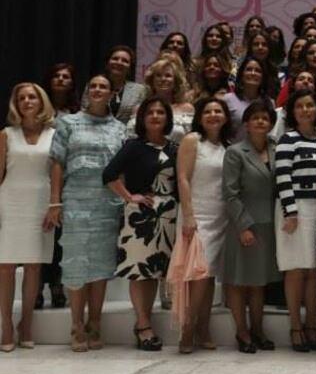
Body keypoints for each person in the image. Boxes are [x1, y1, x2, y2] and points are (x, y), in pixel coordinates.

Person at [48, 74, 128, 351]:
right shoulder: (68, 122)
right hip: (76, 202)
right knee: (75, 261)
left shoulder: (120, 128)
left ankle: (95, 322)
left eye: (102, 87)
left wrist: (125, 202)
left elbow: (122, 170)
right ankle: (76, 324)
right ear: (86, 92)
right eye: (92, 85)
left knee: (101, 265)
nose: (97, 89)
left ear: (111, 93)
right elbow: (57, 162)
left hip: (107, 203)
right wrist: (55, 201)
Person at [103, 96, 179, 352]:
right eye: (150, 113)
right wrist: (128, 196)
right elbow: (109, 175)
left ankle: (145, 321)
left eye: (160, 112)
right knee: (140, 271)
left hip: (168, 216)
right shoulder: (133, 146)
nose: (156, 116)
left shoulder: (174, 148)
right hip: (140, 217)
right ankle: (143, 325)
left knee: (156, 272)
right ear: (142, 119)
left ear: (168, 118)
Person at [222, 100, 280, 354]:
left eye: (265, 118)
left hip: (270, 225)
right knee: (238, 281)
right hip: (243, 224)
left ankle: (257, 330)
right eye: (255, 118)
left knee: (259, 283)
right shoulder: (235, 152)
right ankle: (242, 332)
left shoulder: (277, 148)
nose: (260, 122)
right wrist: (243, 226)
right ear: (246, 124)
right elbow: (230, 193)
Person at [0, 83, 56, 351]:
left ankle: (27, 324)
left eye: (32, 96)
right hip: (10, 202)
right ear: (16, 104)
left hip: (41, 203)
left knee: (34, 266)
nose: (26, 101)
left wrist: (56, 205)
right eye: (21, 97)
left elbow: (57, 173)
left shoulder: (55, 134)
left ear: (41, 101)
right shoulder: (6, 134)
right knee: (6, 266)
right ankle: (7, 326)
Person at [173, 97, 231, 352]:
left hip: (221, 217)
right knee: (198, 274)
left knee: (208, 277)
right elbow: (183, 178)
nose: (213, 115)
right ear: (200, 116)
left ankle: (203, 328)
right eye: (208, 111)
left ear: (226, 117)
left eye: (218, 111)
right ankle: (187, 328)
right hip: (197, 216)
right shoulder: (192, 140)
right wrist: (188, 215)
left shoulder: (227, 146)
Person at [274, 90, 316, 352]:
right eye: (300, 106)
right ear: (293, 112)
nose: (305, 110)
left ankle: (312, 324)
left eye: (310, 105)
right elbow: (283, 176)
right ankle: (295, 326)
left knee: (314, 271)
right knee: (295, 270)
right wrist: (290, 211)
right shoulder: (287, 140)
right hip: (294, 210)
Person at [102, 45, 147, 121]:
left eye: (125, 61)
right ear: (107, 63)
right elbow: (86, 112)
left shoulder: (140, 90)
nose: (119, 62)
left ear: (130, 67)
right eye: (115, 59)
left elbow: (141, 119)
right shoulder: (95, 85)